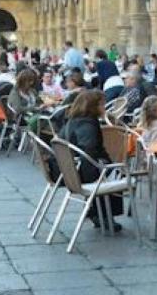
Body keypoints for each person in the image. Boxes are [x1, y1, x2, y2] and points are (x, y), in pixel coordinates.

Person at [59, 90, 122, 231]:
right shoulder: (88, 125)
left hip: (66, 171)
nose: (104, 108)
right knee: (116, 173)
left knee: (109, 168)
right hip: (80, 172)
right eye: (102, 105)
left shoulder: (72, 121)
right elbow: (90, 152)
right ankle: (105, 215)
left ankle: (96, 212)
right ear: (94, 107)